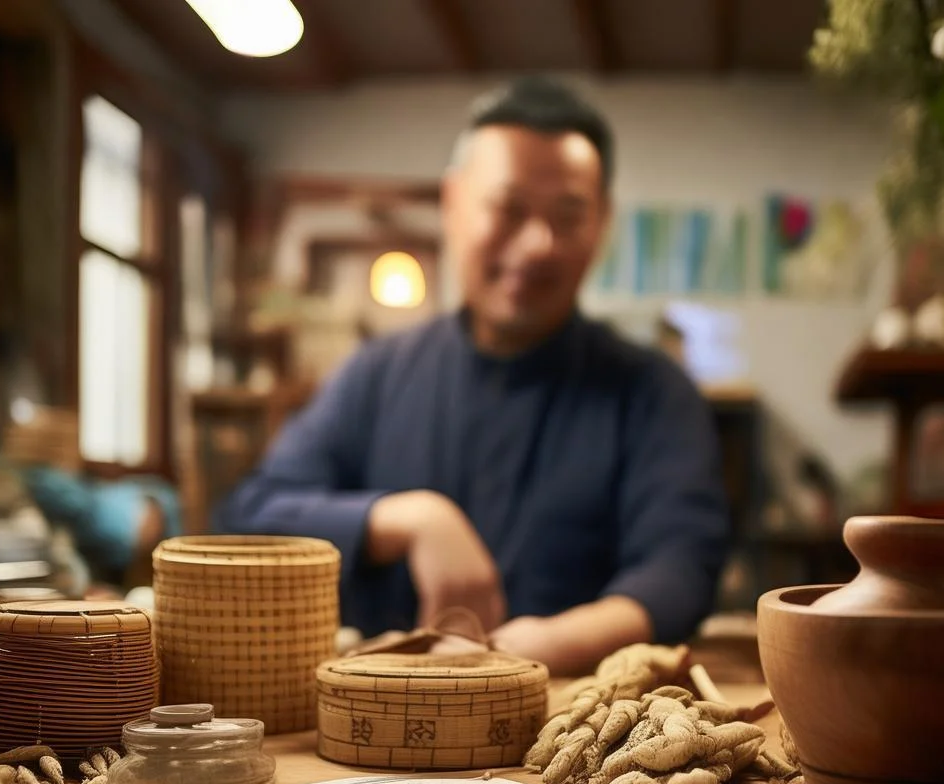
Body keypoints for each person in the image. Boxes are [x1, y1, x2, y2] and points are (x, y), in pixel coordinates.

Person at [215, 76, 730, 675]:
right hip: (375, 721)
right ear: (454, 204)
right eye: (508, 210)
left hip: (576, 733)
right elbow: (250, 514)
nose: (538, 244)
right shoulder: (377, 374)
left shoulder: (653, 392)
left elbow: (682, 565)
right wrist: (407, 518)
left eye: (568, 216)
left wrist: (556, 645)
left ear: (603, 224)